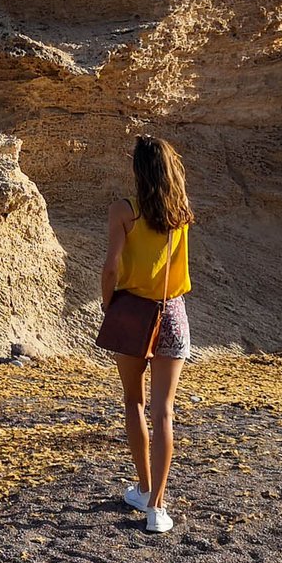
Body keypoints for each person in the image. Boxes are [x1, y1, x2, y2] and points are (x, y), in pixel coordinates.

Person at [96, 134, 194, 533]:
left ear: (138, 170)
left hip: (134, 310)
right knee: (164, 411)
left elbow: (111, 266)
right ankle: (157, 508)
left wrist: (108, 304)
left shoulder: (124, 210)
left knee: (134, 403)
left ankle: (142, 486)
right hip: (171, 312)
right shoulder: (181, 210)